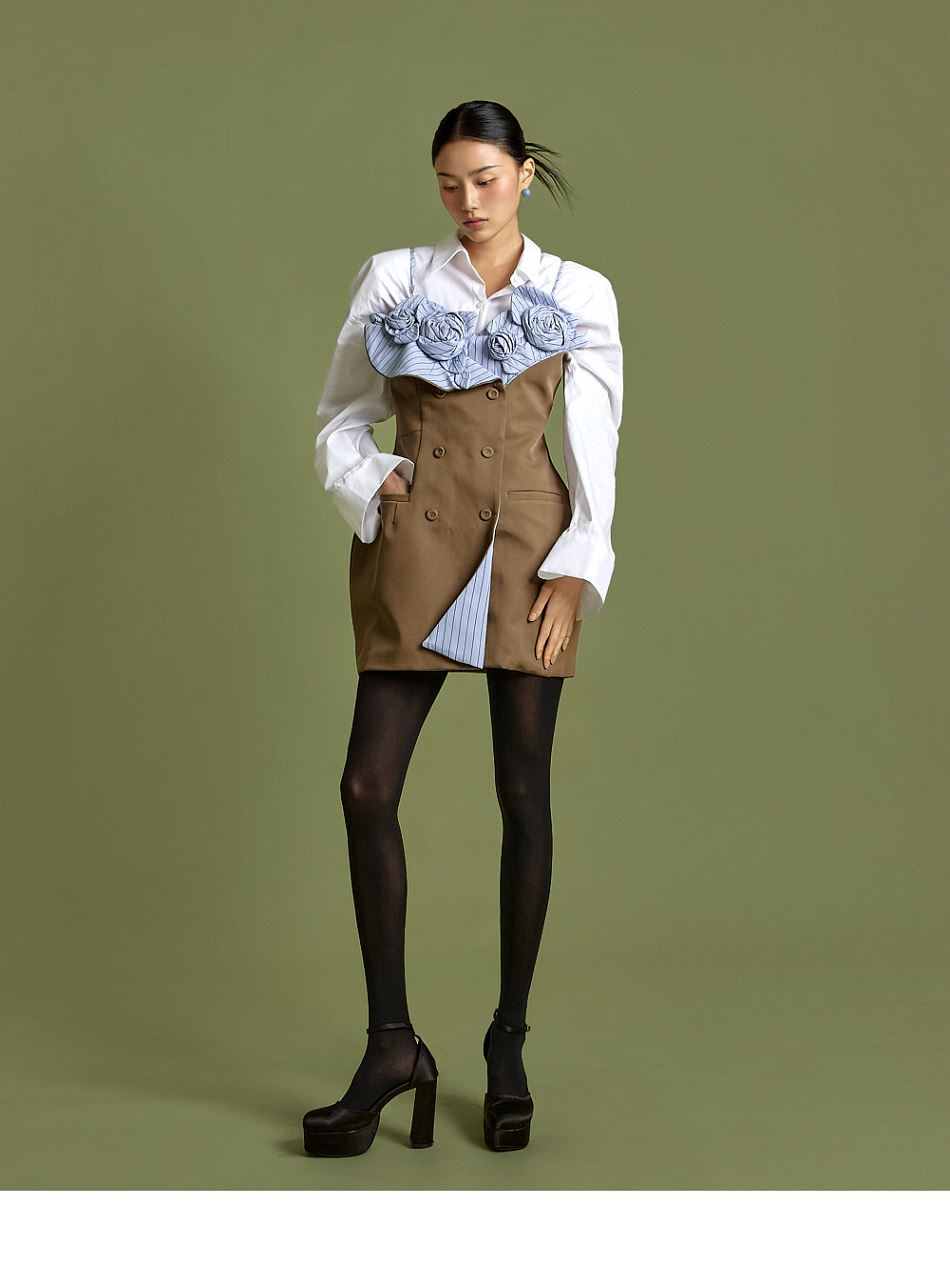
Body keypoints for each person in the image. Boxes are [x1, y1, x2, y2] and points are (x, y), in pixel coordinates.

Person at [303, 100, 623, 1156]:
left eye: (486, 178)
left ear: (523, 174)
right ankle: (391, 1045)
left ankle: (506, 1043)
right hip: (418, 541)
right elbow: (340, 415)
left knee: (523, 793)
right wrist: (372, 481)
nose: (468, 200)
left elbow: (597, 442)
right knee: (366, 786)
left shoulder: (577, 292)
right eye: (449, 182)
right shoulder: (393, 277)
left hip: (531, 548)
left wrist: (577, 572)